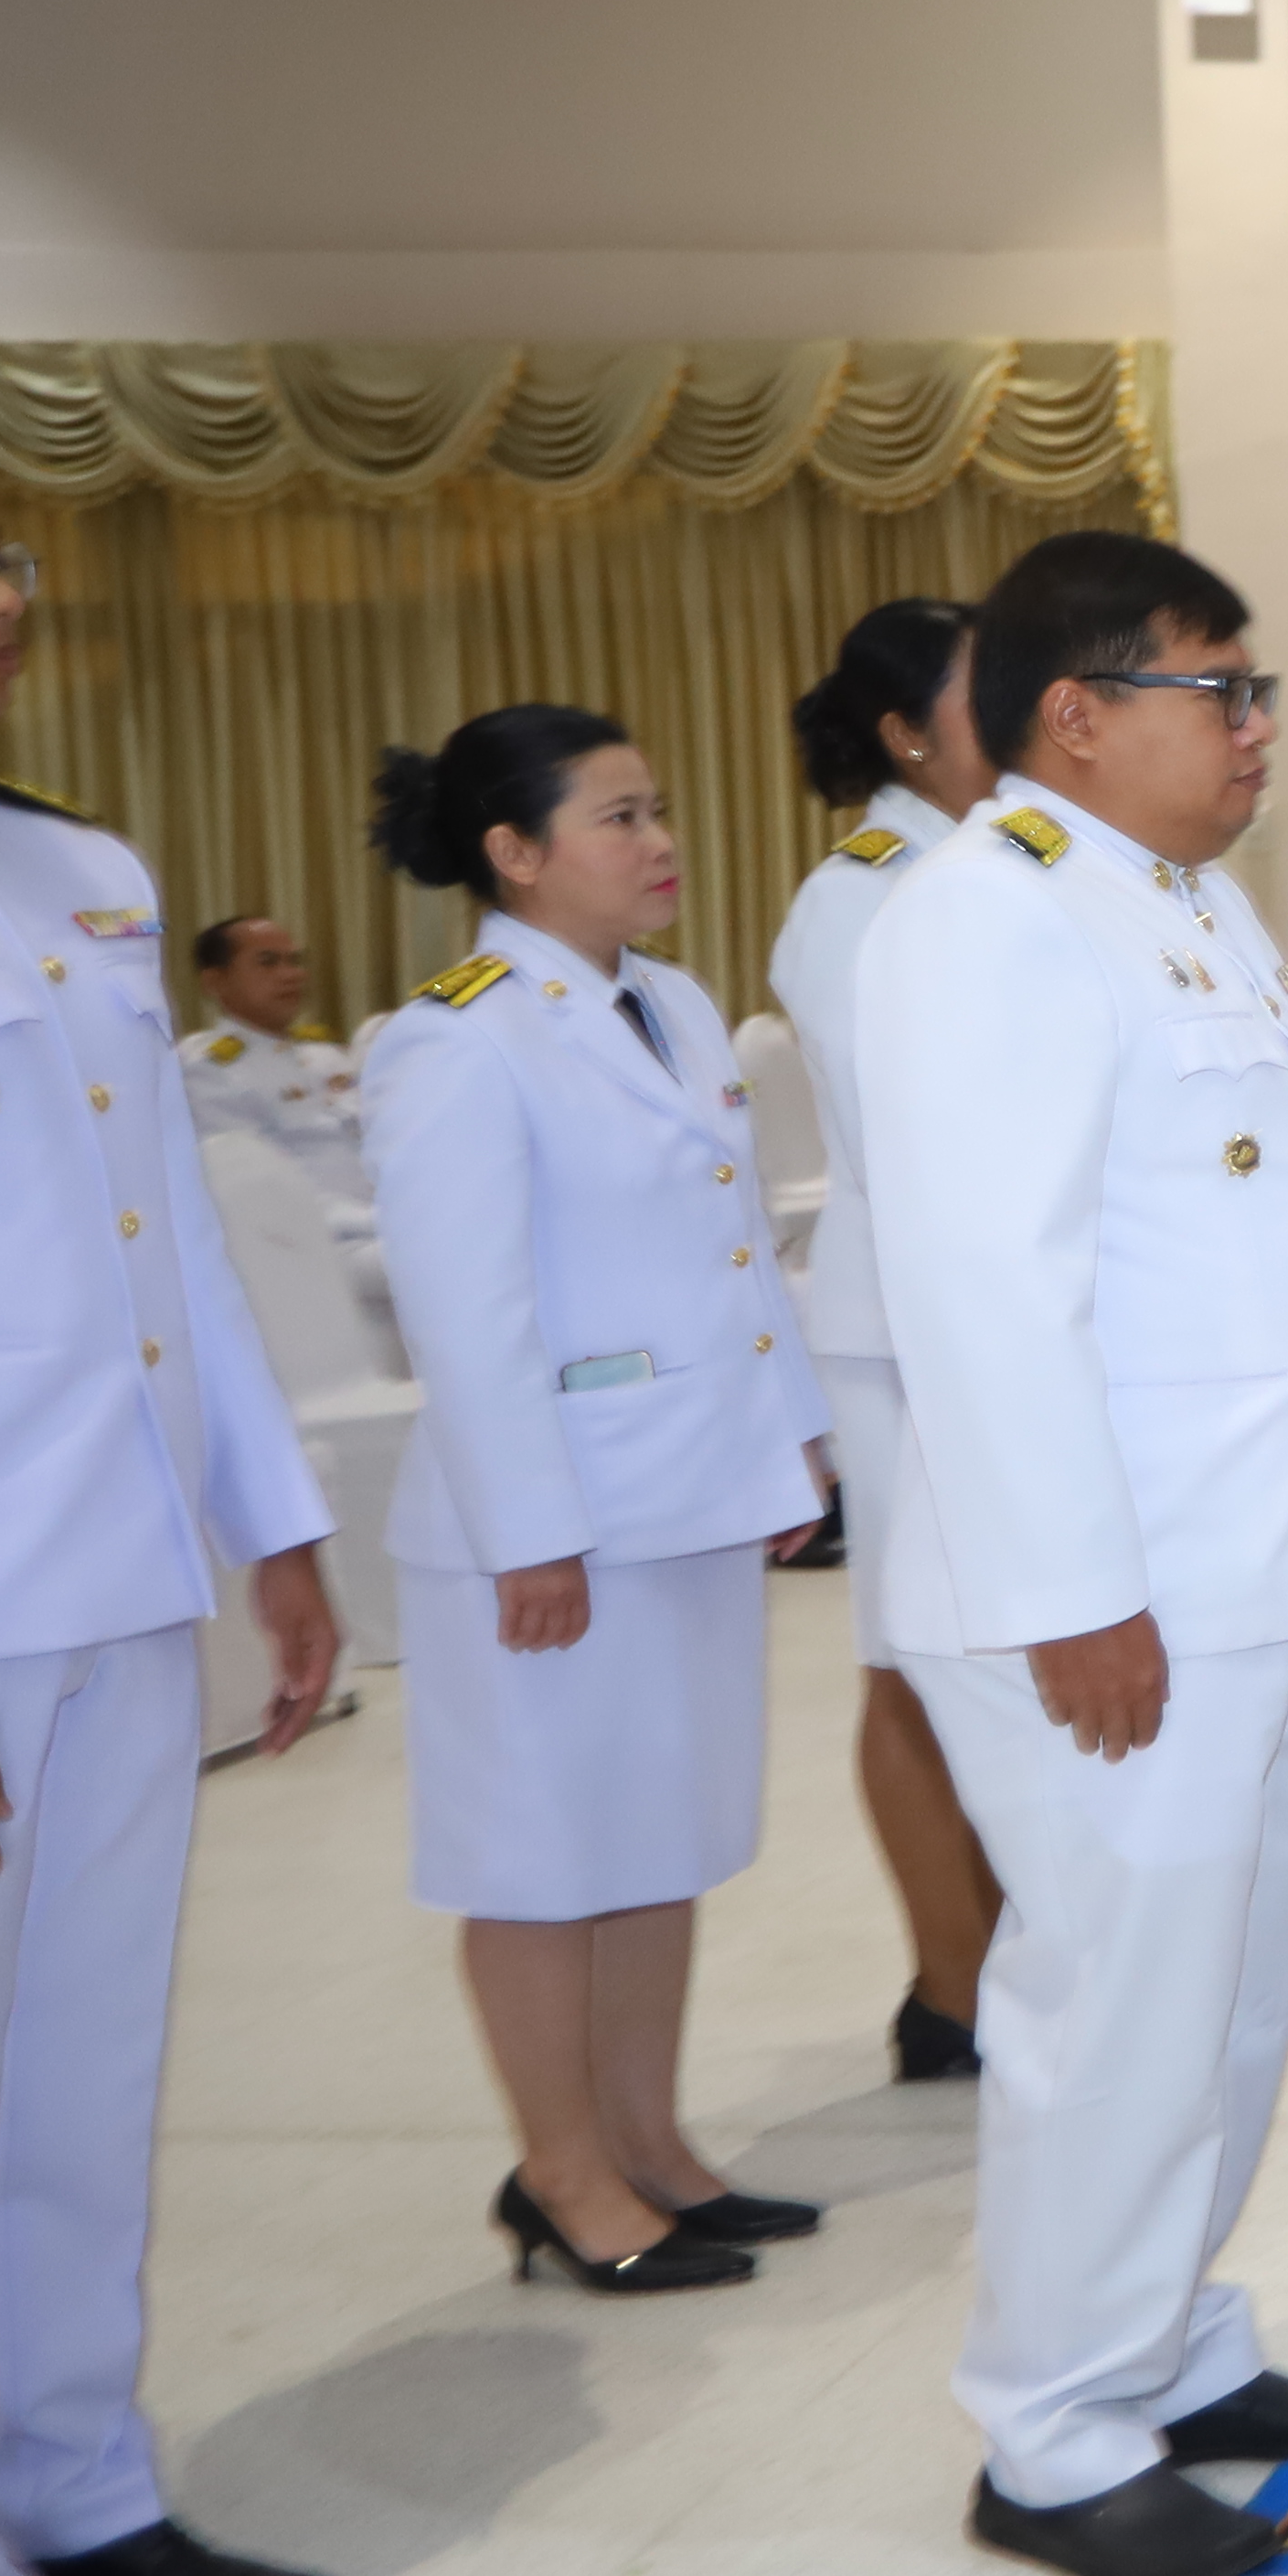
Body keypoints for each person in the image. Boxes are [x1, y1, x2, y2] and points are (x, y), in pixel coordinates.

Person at [854, 529, 1288, 2576]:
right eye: (1223, 692)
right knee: (1117, 2012)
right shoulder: (987, 919)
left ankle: (1169, 2346)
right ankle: (1056, 2429)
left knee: (1226, 1997)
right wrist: (1074, 1591)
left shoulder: (1179, 902)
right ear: (1076, 714)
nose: (1261, 727)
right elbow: (983, 1291)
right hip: (1119, 1597)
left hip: (1258, 1561)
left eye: (1257, 690)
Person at [0, 433, 349, 2576]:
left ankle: (78, 2485)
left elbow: (163, 1229)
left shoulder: (69, 870)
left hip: (107, 1559)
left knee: (78, 2074)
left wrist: (270, 1521)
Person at [361, 708, 835, 2301]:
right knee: (540, 1851)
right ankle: (559, 2173)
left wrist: (793, 1437)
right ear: (514, 852)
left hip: (688, 1488)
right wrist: (531, 1534)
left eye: (658, 808)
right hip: (551, 1523)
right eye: (618, 817)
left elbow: (737, 1249)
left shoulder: (672, 1002)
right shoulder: (457, 1038)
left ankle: (651, 2143)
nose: (659, 841)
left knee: (659, 1835)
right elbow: (464, 1311)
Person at [772, 596, 1011, 2087]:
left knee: (995, 1647)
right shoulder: (861, 896)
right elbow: (917, 1144)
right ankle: (952, 1987)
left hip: (995, 1323)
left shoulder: (1001, 866)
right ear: (906, 734)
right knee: (913, 1660)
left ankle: (1000, 1948)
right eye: (992, 692)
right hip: (912, 1338)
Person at [179, 914, 368, 1209]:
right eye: (268, 962)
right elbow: (254, 1190)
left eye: (294, 961)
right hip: (312, 1230)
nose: (292, 975)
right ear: (215, 982)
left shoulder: (326, 1054)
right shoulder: (208, 1070)